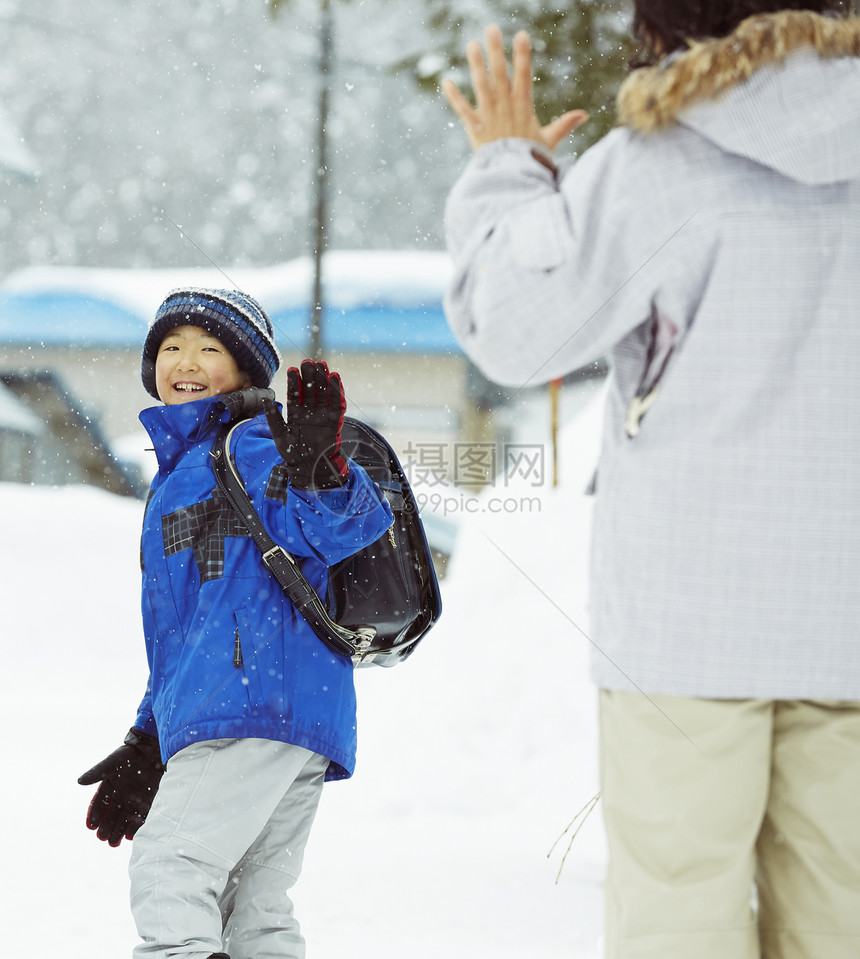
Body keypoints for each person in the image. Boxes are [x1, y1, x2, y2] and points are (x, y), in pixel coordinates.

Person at [442, 3, 860, 957]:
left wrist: (508, 173)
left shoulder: (659, 168)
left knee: (678, 915)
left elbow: (517, 328)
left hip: (687, 624)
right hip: (850, 619)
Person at [77, 287, 394, 959]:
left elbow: (343, 527)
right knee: (253, 907)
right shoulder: (180, 473)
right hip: (285, 706)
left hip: (252, 699)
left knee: (170, 870)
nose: (186, 361)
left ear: (248, 371)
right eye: (171, 348)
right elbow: (186, 633)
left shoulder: (251, 443)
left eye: (209, 348)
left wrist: (319, 464)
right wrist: (147, 736)